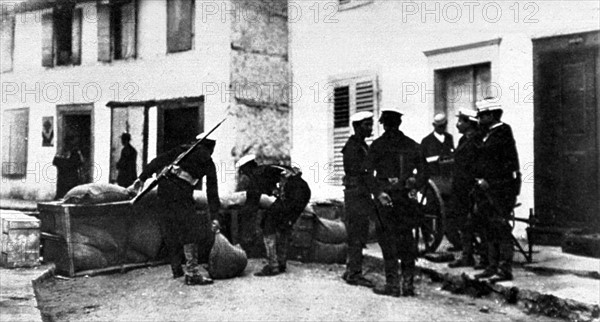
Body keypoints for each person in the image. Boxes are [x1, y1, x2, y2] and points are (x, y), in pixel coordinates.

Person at [131, 133, 220, 286]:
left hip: (164, 189)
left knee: (170, 228)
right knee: (189, 230)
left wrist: (142, 177)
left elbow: (157, 161)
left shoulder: (182, 150)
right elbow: (212, 191)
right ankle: (192, 273)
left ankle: (176, 268)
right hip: (181, 193)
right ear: (210, 147)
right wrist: (215, 216)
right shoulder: (208, 161)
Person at [364, 107, 428, 297]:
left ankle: (393, 285)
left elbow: (367, 174)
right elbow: (425, 172)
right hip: (404, 199)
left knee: (387, 240)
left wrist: (378, 192)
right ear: (399, 124)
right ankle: (407, 285)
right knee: (406, 239)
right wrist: (414, 185)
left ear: (384, 125)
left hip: (388, 199)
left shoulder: (377, 145)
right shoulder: (412, 145)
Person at [236, 155, 311, 276]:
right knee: (284, 224)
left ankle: (273, 266)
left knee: (267, 224)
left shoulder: (256, 175)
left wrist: (244, 224)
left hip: (292, 195)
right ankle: (281, 262)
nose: (244, 175)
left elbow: (252, 203)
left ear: (246, 169)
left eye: (243, 171)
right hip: (304, 192)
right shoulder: (269, 168)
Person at [472, 98, 521, 282]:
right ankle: (491, 266)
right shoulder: (485, 134)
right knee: (488, 227)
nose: (479, 119)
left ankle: (504, 268)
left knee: (501, 227)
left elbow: (506, 165)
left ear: (491, 115)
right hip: (484, 190)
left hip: (501, 190)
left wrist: (489, 182)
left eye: (482, 116)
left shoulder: (503, 132)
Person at [341, 111, 376, 288]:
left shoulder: (361, 145)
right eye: (366, 125)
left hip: (359, 193)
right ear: (356, 127)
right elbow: (362, 172)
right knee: (357, 232)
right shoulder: (353, 148)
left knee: (358, 232)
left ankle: (350, 270)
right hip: (356, 194)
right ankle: (354, 273)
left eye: (371, 124)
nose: (370, 128)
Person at [447, 109, 482, 268]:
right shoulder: (463, 140)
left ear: (469, 123)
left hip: (470, 188)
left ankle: (478, 256)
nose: (457, 124)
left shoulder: (476, 140)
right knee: (463, 223)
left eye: (461, 121)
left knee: (472, 222)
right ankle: (467, 256)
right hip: (461, 188)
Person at [421, 113, 460, 251]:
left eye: (443, 126)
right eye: (439, 126)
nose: (441, 129)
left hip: (448, 180)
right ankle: (431, 239)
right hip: (434, 181)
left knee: (450, 211)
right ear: (434, 126)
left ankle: (455, 239)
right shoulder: (426, 141)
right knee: (432, 210)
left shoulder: (449, 138)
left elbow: (452, 156)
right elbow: (423, 163)